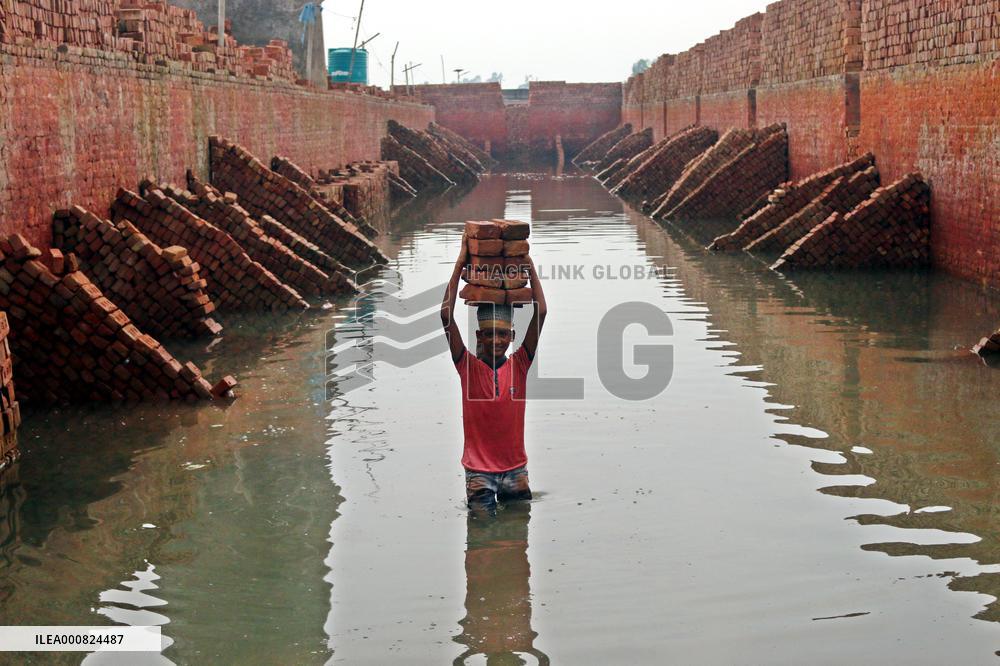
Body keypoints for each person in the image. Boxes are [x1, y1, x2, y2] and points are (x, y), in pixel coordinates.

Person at [440, 231, 547, 514]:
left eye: (503, 335)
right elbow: (445, 316)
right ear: (479, 335)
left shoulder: (520, 363)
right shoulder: (467, 366)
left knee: (516, 541)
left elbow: (542, 312)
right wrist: (461, 260)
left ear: (512, 334)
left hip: (516, 471)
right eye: (490, 334)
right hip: (479, 476)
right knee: (481, 545)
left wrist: (528, 263)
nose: (497, 340)